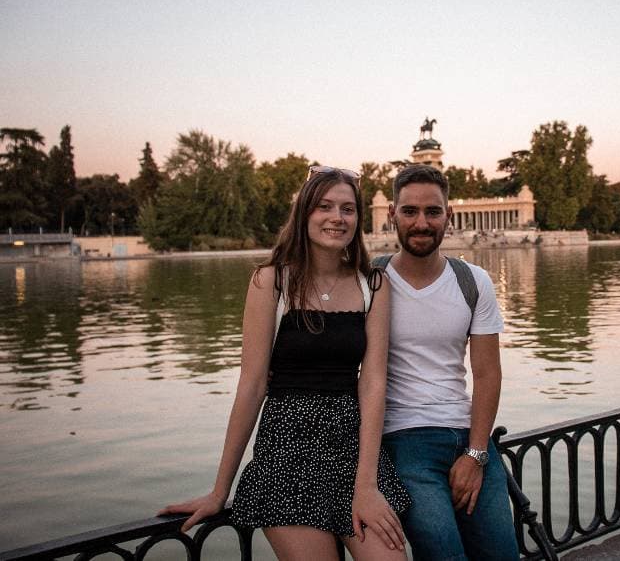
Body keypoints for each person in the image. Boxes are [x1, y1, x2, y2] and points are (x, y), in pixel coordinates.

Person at [160, 166, 410, 560]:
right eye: (325, 206)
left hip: (352, 446)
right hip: (286, 450)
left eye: (348, 209)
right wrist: (219, 490)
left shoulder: (373, 284)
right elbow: (253, 384)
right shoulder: (270, 281)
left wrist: (366, 486)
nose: (337, 218)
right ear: (304, 213)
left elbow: (373, 382)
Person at [377, 164, 519, 560]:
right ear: (392, 214)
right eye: (410, 211)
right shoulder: (370, 280)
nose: (421, 222)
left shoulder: (474, 280)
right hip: (404, 439)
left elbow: (488, 372)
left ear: (448, 216)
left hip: (468, 436)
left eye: (432, 212)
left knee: (502, 555)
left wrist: (476, 454)